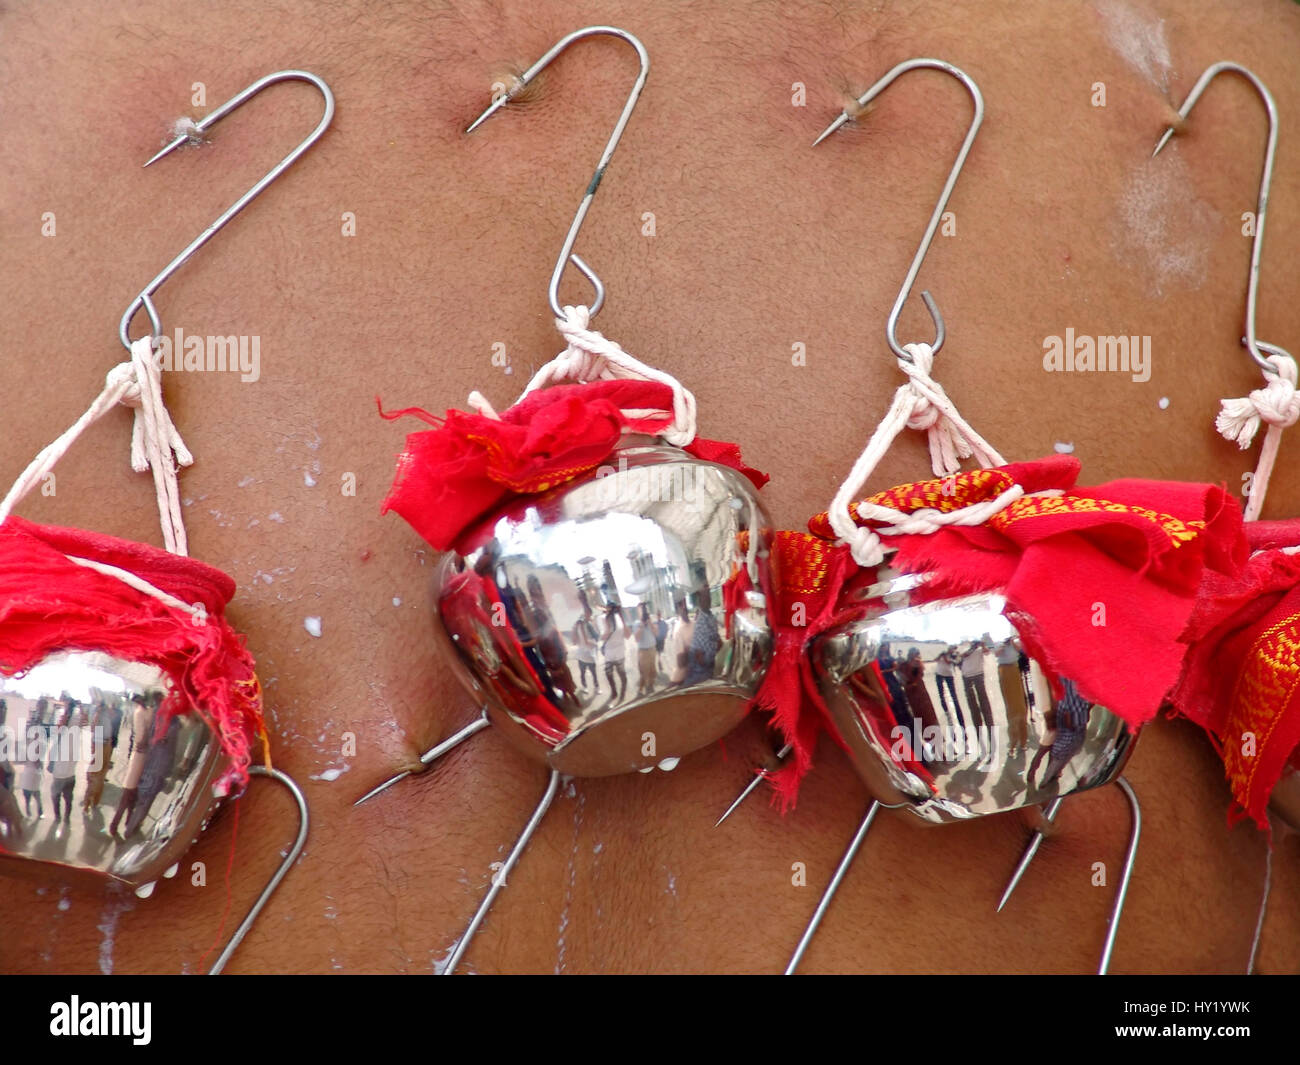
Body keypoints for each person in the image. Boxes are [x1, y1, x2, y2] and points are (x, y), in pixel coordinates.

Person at [959, 641, 994, 759]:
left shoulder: (980, 648)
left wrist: (982, 645)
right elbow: (964, 655)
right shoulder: (963, 646)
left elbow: (988, 652)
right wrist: (974, 647)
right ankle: (982, 747)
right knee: (974, 713)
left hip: (978, 676)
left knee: (986, 710)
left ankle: (992, 746)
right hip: (967, 679)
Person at [601, 606, 628, 702]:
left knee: (621, 673)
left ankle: (622, 691)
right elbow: (603, 637)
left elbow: (628, 635)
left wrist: (622, 620)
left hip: (619, 652)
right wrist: (608, 627)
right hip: (610, 652)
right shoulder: (604, 619)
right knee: (609, 673)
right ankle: (614, 691)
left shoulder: (619, 619)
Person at [572, 603, 600, 694]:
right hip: (583, 654)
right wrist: (575, 627)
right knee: (584, 672)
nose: (588, 616)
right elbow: (576, 641)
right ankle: (586, 686)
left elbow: (596, 636)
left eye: (589, 614)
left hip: (589, 653)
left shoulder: (589, 624)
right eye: (587, 614)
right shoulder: (578, 626)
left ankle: (595, 687)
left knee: (592, 672)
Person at [634, 603, 659, 696]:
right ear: (638, 611)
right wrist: (642, 625)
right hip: (643, 651)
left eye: (645, 609)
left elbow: (656, 634)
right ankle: (640, 690)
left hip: (652, 649)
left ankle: (650, 687)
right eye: (641, 609)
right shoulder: (637, 623)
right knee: (644, 672)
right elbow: (637, 639)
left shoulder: (652, 621)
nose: (644, 611)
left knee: (652, 670)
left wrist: (650, 623)